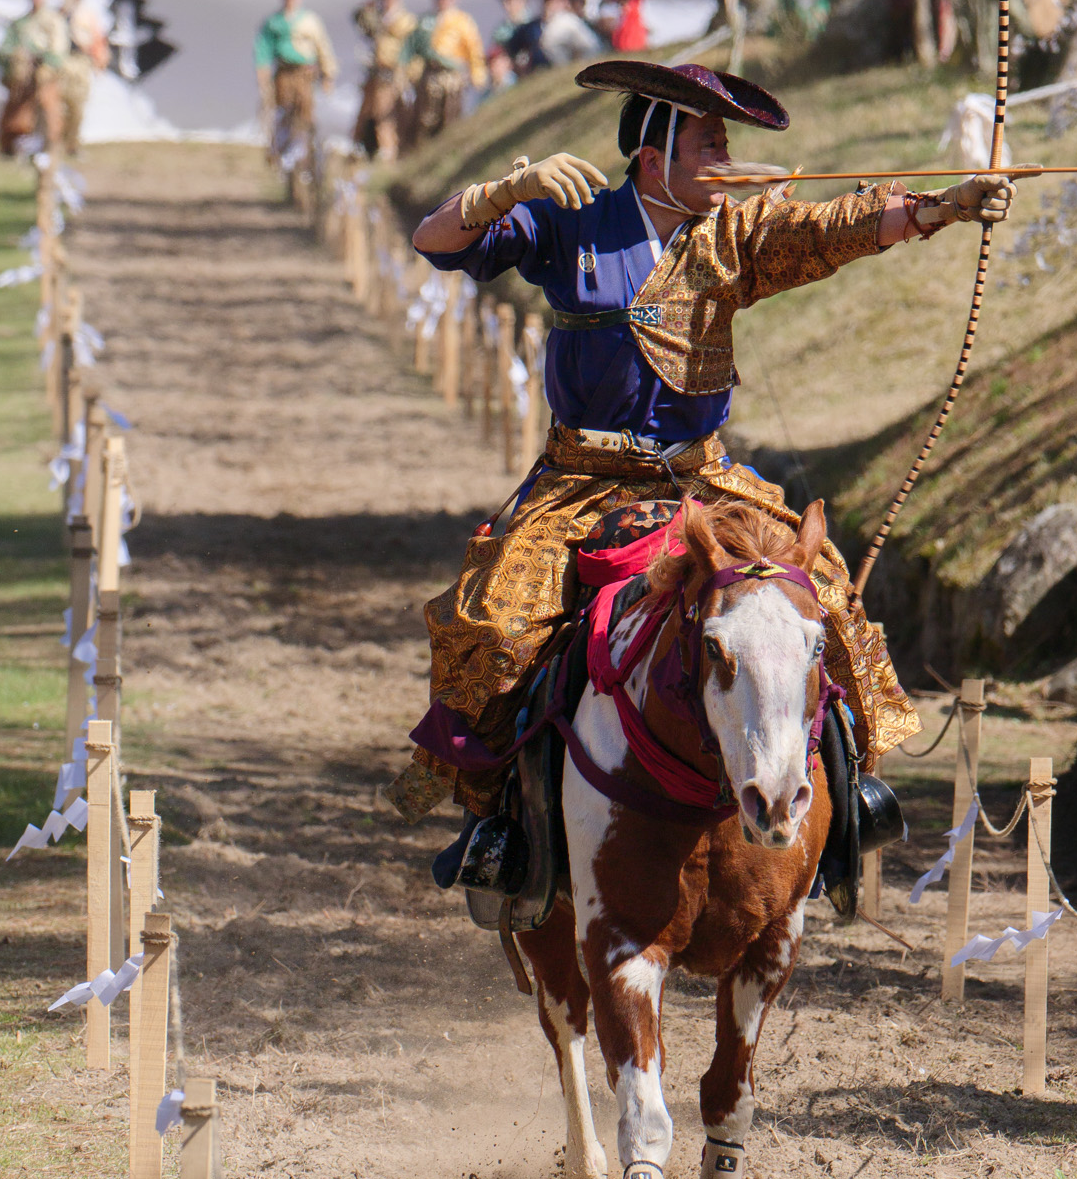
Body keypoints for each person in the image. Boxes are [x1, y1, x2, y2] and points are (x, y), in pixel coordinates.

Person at [393, 56, 1015, 822]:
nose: (726, 162)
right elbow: (436, 240)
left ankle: (843, 801)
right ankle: (497, 823)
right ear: (654, 162)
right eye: (710, 148)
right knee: (493, 619)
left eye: (726, 146)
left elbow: (828, 229)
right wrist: (505, 190)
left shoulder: (734, 231)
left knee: (821, 593)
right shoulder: (571, 218)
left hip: (701, 479)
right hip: (582, 480)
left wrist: (942, 207)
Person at [254, 0, 336, 155]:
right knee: (283, 115)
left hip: (304, 76)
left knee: (306, 115)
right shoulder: (273, 22)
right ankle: (283, 155)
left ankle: (308, 154)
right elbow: (263, 50)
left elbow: (323, 47)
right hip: (283, 75)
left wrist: (328, 74)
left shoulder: (310, 20)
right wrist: (263, 74)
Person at [0, 0, 70, 155]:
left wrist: (41, 56)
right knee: (15, 105)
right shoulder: (19, 23)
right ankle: (12, 143)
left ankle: (52, 141)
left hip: (45, 76)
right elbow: (4, 49)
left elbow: (58, 53)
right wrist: (17, 55)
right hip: (22, 79)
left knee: (47, 103)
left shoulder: (54, 20)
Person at [352, 0, 420, 161]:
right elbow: (359, 20)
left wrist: (408, 74)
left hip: (394, 75)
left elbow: (410, 51)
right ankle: (364, 151)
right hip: (375, 74)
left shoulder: (406, 21)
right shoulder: (377, 17)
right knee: (366, 114)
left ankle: (389, 153)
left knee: (387, 117)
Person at [58, 0, 109, 153]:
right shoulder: (62, 11)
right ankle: (57, 142)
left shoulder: (88, 13)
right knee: (59, 105)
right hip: (64, 60)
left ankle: (72, 144)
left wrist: (99, 59)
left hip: (81, 61)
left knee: (78, 107)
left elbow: (96, 39)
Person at [426, 0, 487, 100]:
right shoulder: (428, 20)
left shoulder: (462, 20)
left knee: (452, 112)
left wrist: (478, 74)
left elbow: (474, 49)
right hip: (432, 76)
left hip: (454, 75)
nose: (443, 0)